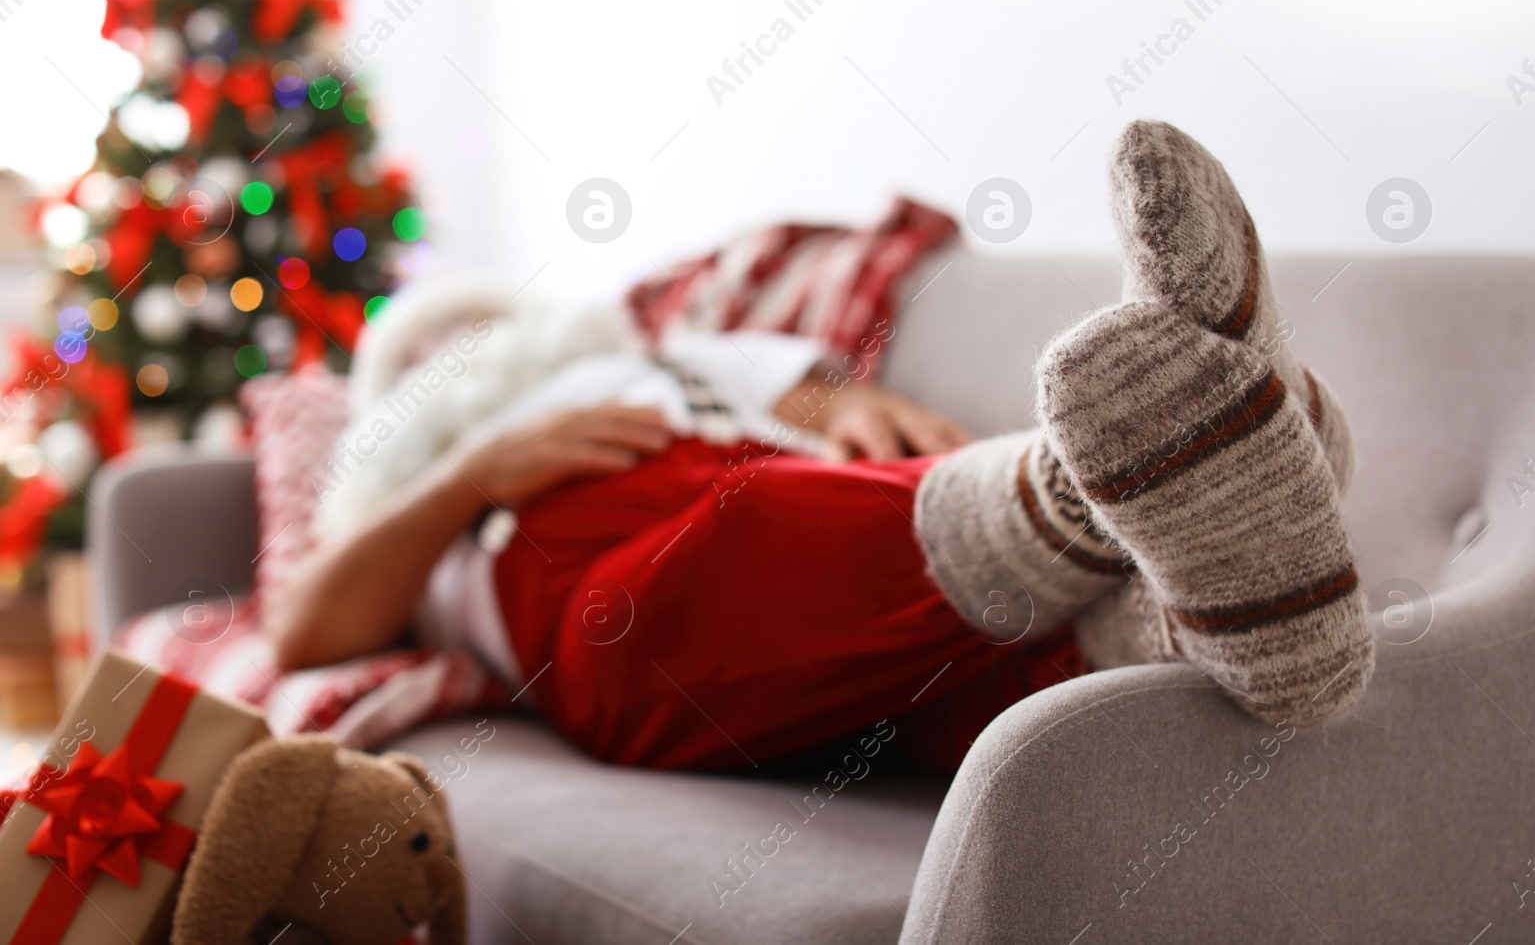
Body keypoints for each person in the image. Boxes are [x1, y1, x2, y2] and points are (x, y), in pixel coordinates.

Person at [265, 122, 1374, 773]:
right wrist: (473, 475)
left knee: (976, 678)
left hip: (781, 504)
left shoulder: (675, 356)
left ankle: (1207, 597)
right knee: (734, 545)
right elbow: (308, 630)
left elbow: (825, 404)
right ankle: (1156, 459)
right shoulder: (409, 479)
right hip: (579, 570)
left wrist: (844, 411)